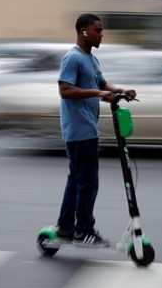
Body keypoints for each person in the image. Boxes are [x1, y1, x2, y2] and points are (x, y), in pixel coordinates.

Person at [56, 13, 137, 247]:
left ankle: (65, 227)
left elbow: (101, 84)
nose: (101, 34)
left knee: (77, 180)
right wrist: (99, 94)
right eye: (97, 30)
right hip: (79, 131)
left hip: (86, 129)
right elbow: (65, 90)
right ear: (84, 31)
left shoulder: (90, 59)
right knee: (88, 182)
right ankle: (83, 231)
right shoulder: (73, 58)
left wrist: (120, 90)